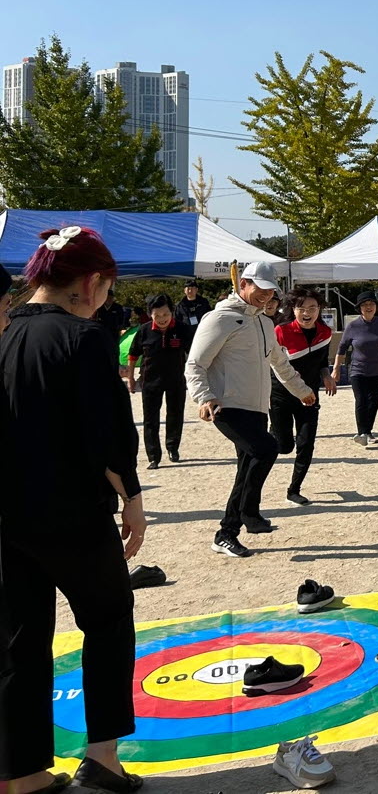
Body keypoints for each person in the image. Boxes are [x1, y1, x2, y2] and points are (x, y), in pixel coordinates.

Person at [0, 226, 147, 793]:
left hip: (9, 514)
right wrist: (131, 499)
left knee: (20, 639)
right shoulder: (85, 338)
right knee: (108, 621)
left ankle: (23, 771)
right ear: (90, 284)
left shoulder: (4, 332)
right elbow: (105, 434)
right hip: (72, 512)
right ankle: (103, 757)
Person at [187, 262, 316, 558]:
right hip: (226, 405)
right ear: (243, 284)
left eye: (270, 290)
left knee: (248, 463)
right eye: (260, 288)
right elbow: (195, 364)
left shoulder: (264, 322)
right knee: (266, 449)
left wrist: (303, 391)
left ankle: (248, 517)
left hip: (257, 408)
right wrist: (203, 397)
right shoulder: (219, 318)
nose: (265, 295)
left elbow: (280, 363)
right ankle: (228, 529)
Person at [271, 288, 336, 506]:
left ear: (319, 310)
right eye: (301, 308)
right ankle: (275, 432)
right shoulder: (280, 331)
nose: (307, 313)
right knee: (284, 446)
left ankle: (294, 489)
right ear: (293, 309)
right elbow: (272, 365)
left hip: (309, 396)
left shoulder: (325, 333)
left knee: (306, 443)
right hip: (280, 395)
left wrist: (326, 375)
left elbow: (321, 361)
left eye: (312, 308)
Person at [125, 293, 192, 469]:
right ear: (150, 314)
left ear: (172, 312)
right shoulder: (144, 330)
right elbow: (133, 355)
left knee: (175, 416)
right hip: (150, 382)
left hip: (176, 380)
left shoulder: (182, 329)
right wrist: (131, 378)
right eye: (157, 316)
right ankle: (153, 456)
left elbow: (195, 354)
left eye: (165, 315)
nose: (162, 319)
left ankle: (172, 448)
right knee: (150, 420)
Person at [332, 290, 378, 446]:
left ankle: (368, 431)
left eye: (371, 304)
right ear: (360, 308)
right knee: (361, 400)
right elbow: (342, 348)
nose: (369, 307)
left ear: (376, 306)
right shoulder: (353, 326)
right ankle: (362, 432)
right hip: (358, 370)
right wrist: (336, 368)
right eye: (365, 305)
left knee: (373, 402)